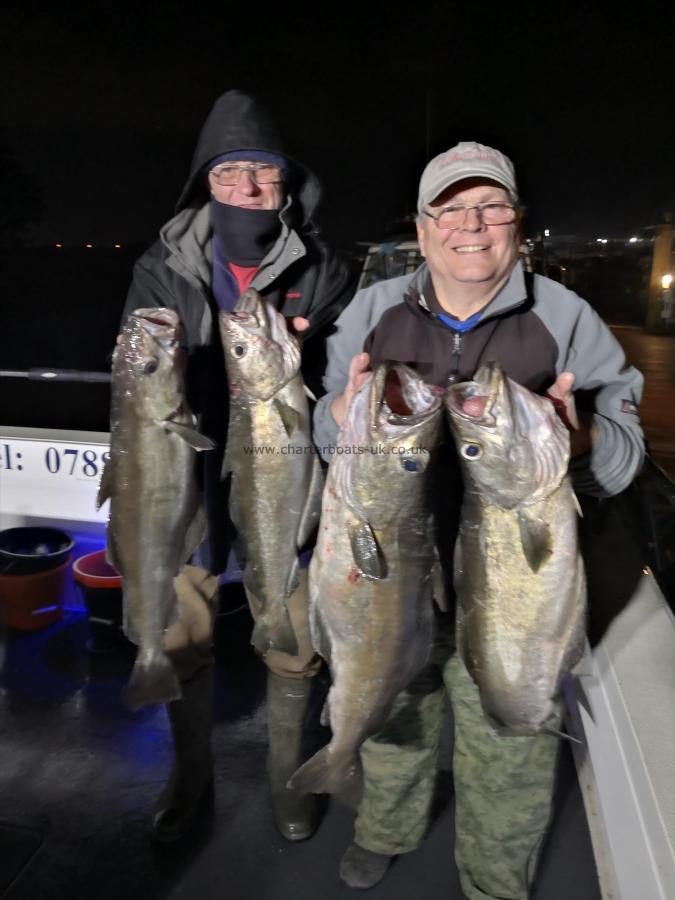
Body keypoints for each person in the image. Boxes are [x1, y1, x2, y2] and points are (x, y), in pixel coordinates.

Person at [312, 141, 645, 899]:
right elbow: (324, 436)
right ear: (422, 229)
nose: (472, 225)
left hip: (514, 591)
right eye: (450, 210)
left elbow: (625, 459)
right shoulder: (370, 310)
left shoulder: (567, 318)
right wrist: (336, 419)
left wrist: (582, 437)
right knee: (393, 711)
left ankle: (494, 881)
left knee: (512, 742)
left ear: (516, 225)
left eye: (490, 206)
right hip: (396, 574)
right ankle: (382, 829)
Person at [121, 89, 354, 844]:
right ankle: (190, 776)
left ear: (288, 186)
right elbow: (138, 366)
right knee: (182, 622)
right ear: (204, 183)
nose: (248, 190)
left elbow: (349, 374)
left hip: (284, 473)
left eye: (264, 175)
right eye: (229, 175)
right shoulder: (163, 266)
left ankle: (292, 780)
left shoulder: (324, 269)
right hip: (186, 475)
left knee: (290, 625)